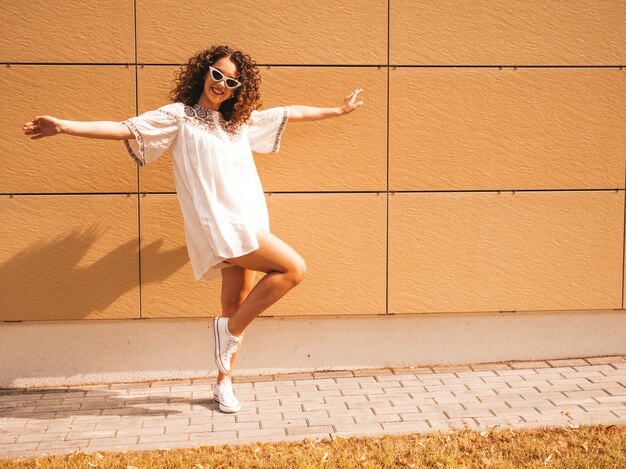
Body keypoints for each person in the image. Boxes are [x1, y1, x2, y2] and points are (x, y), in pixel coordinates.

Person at [21, 44, 364, 413]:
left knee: (235, 305)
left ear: (237, 88)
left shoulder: (239, 122)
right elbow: (124, 128)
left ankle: (224, 383)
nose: (221, 84)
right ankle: (228, 332)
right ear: (204, 73)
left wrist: (337, 110)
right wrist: (64, 126)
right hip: (221, 223)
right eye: (216, 74)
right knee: (293, 268)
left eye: (230, 81)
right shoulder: (179, 117)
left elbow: (290, 112)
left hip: (249, 217)